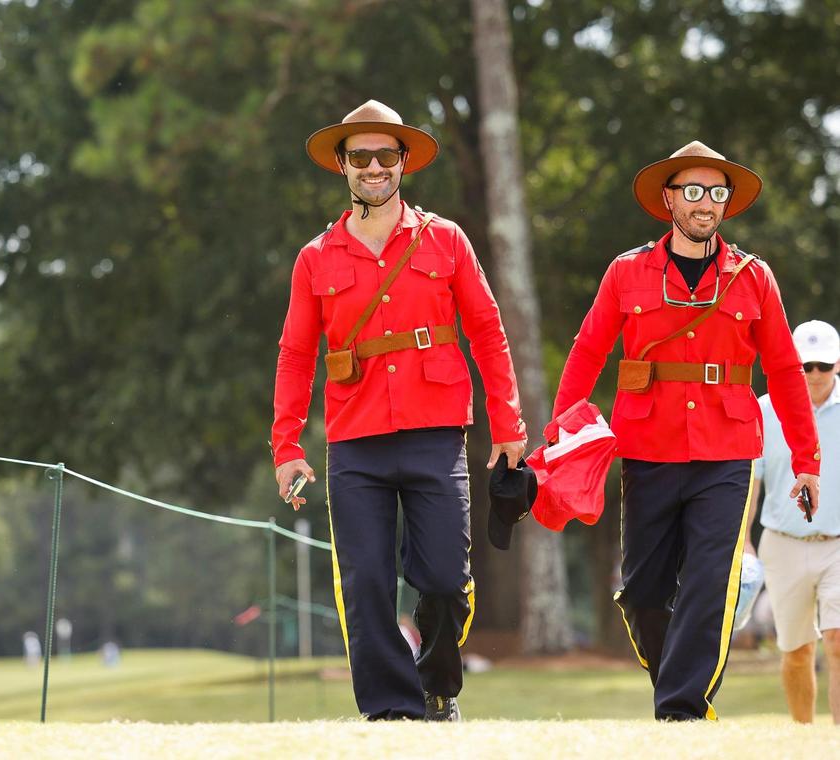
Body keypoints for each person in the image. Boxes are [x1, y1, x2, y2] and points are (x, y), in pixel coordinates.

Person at [271, 100, 527, 721]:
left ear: (403, 162)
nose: (374, 167)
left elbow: (488, 331)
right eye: (361, 156)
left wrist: (509, 424)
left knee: (443, 577)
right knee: (364, 584)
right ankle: (391, 711)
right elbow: (296, 354)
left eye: (386, 155)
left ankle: (437, 684)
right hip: (355, 441)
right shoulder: (316, 257)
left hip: (437, 433)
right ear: (343, 166)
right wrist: (286, 446)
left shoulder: (446, 238)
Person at [549, 141, 820, 721]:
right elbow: (588, 350)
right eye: (693, 191)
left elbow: (785, 371)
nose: (706, 203)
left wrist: (806, 459)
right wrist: (562, 434)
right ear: (669, 199)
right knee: (642, 591)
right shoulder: (626, 272)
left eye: (716, 192)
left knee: (708, 581)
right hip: (647, 449)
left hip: (728, 454)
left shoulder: (754, 276)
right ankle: (676, 681)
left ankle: (682, 710)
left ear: (726, 204)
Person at [749, 319, 840, 723]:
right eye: (807, 366)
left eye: (824, 365)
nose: (815, 374)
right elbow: (752, 481)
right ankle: (804, 739)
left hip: (837, 544)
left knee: (837, 642)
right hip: (782, 543)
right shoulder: (765, 411)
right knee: (797, 651)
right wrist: (743, 542)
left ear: (837, 364)